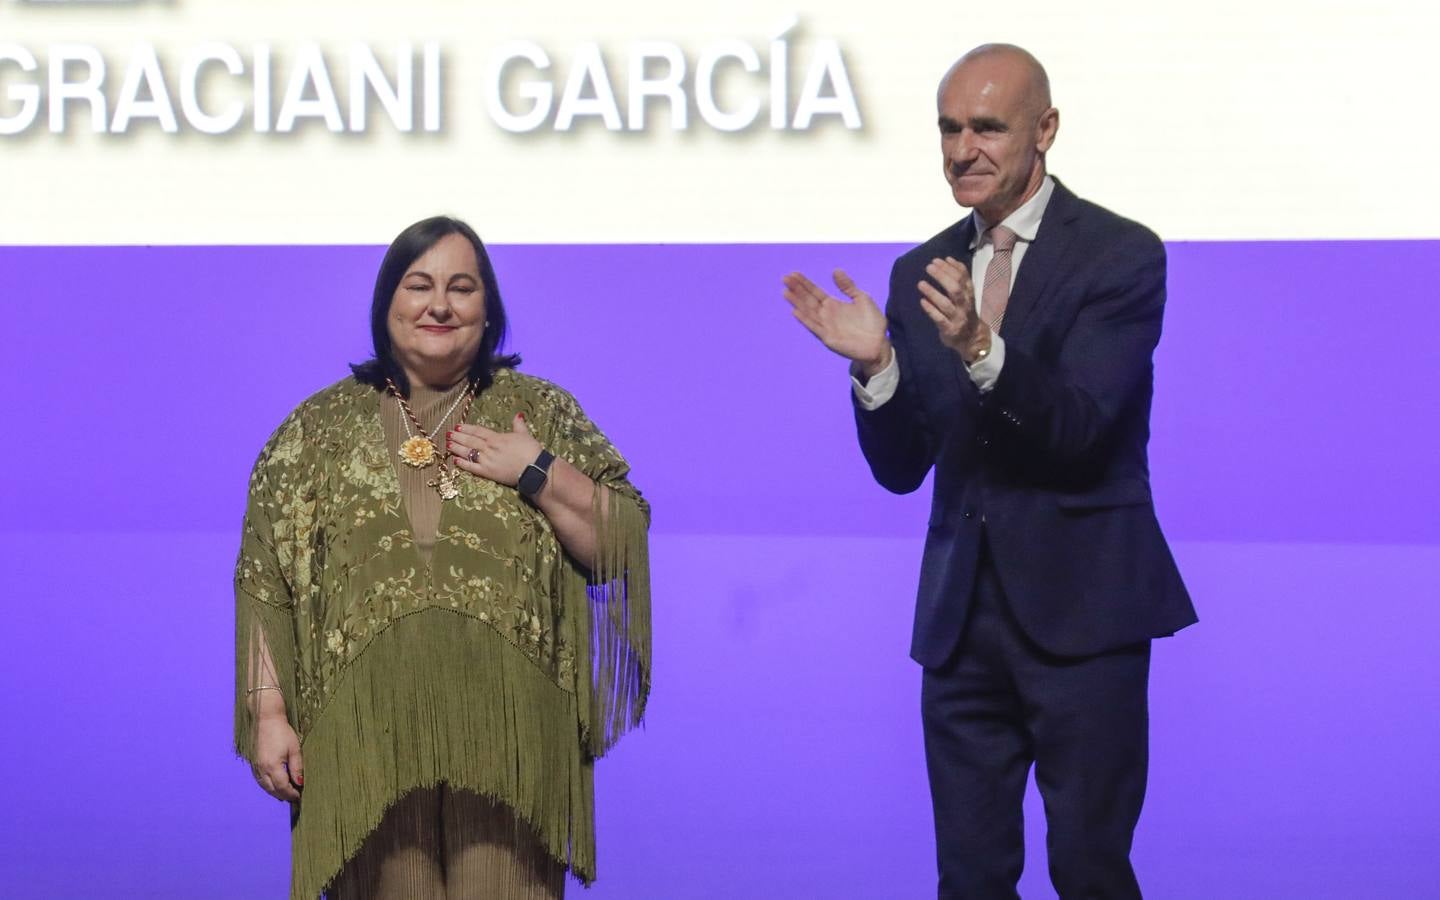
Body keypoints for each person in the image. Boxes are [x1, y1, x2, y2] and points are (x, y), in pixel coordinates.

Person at [783, 44, 1196, 898]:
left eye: (986, 127)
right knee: (968, 877)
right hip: (961, 624)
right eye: (948, 128)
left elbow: (1079, 428)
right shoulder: (918, 271)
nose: (962, 148)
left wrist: (979, 345)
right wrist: (875, 371)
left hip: (1085, 617)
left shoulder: (1121, 256)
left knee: (1089, 868)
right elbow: (902, 469)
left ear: (1045, 130)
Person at [234, 216, 651, 900]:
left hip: (511, 745)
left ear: (488, 313)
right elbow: (264, 577)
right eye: (419, 284)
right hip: (362, 746)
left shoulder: (538, 411)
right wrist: (269, 714)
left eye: (462, 288)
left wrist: (536, 468)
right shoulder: (314, 429)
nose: (439, 304)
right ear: (386, 304)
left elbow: (619, 543)